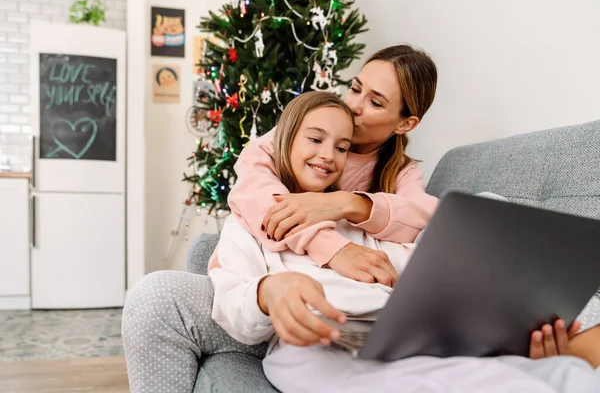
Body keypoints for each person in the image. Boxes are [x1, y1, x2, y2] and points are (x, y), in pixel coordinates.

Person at [121, 45, 599, 393]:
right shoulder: (276, 167)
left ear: (404, 122)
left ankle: (562, 346)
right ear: (289, 139)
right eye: (356, 88)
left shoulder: (395, 183)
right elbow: (253, 209)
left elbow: (423, 234)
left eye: (373, 104)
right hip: (324, 331)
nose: (353, 108)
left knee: (490, 220)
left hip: (400, 322)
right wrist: (324, 251)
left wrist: (349, 205)